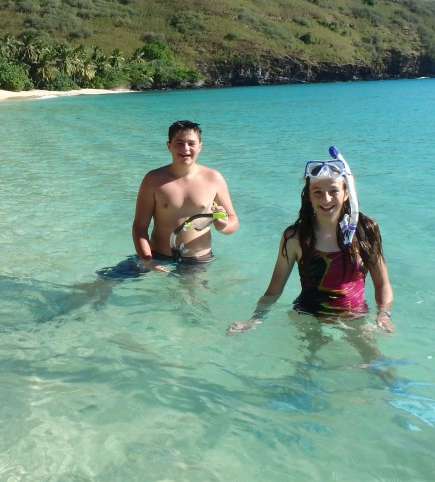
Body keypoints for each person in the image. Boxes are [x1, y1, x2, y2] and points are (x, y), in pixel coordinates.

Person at [228, 146, 392, 334]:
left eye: (333, 191)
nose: (326, 198)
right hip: (307, 316)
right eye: (317, 192)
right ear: (309, 197)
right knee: (308, 364)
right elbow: (274, 291)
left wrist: (384, 314)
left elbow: (382, 284)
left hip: (354, 317)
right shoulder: (295, 237)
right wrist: (255, 319)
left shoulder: (365, 231)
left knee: (373, 361)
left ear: (346, 193)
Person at [132, 120, 238, 272]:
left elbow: (233, 220)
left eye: (191, 143)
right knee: (103, 283)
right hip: (156, 256)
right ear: (169, 146)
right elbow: (139, 227)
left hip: (197, 260)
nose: (186, 149)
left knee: (189, 296)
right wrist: (147, 260)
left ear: (200, 146)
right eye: (179, 143)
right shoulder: (153, 179)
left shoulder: (213, 178)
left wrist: (223, 225)